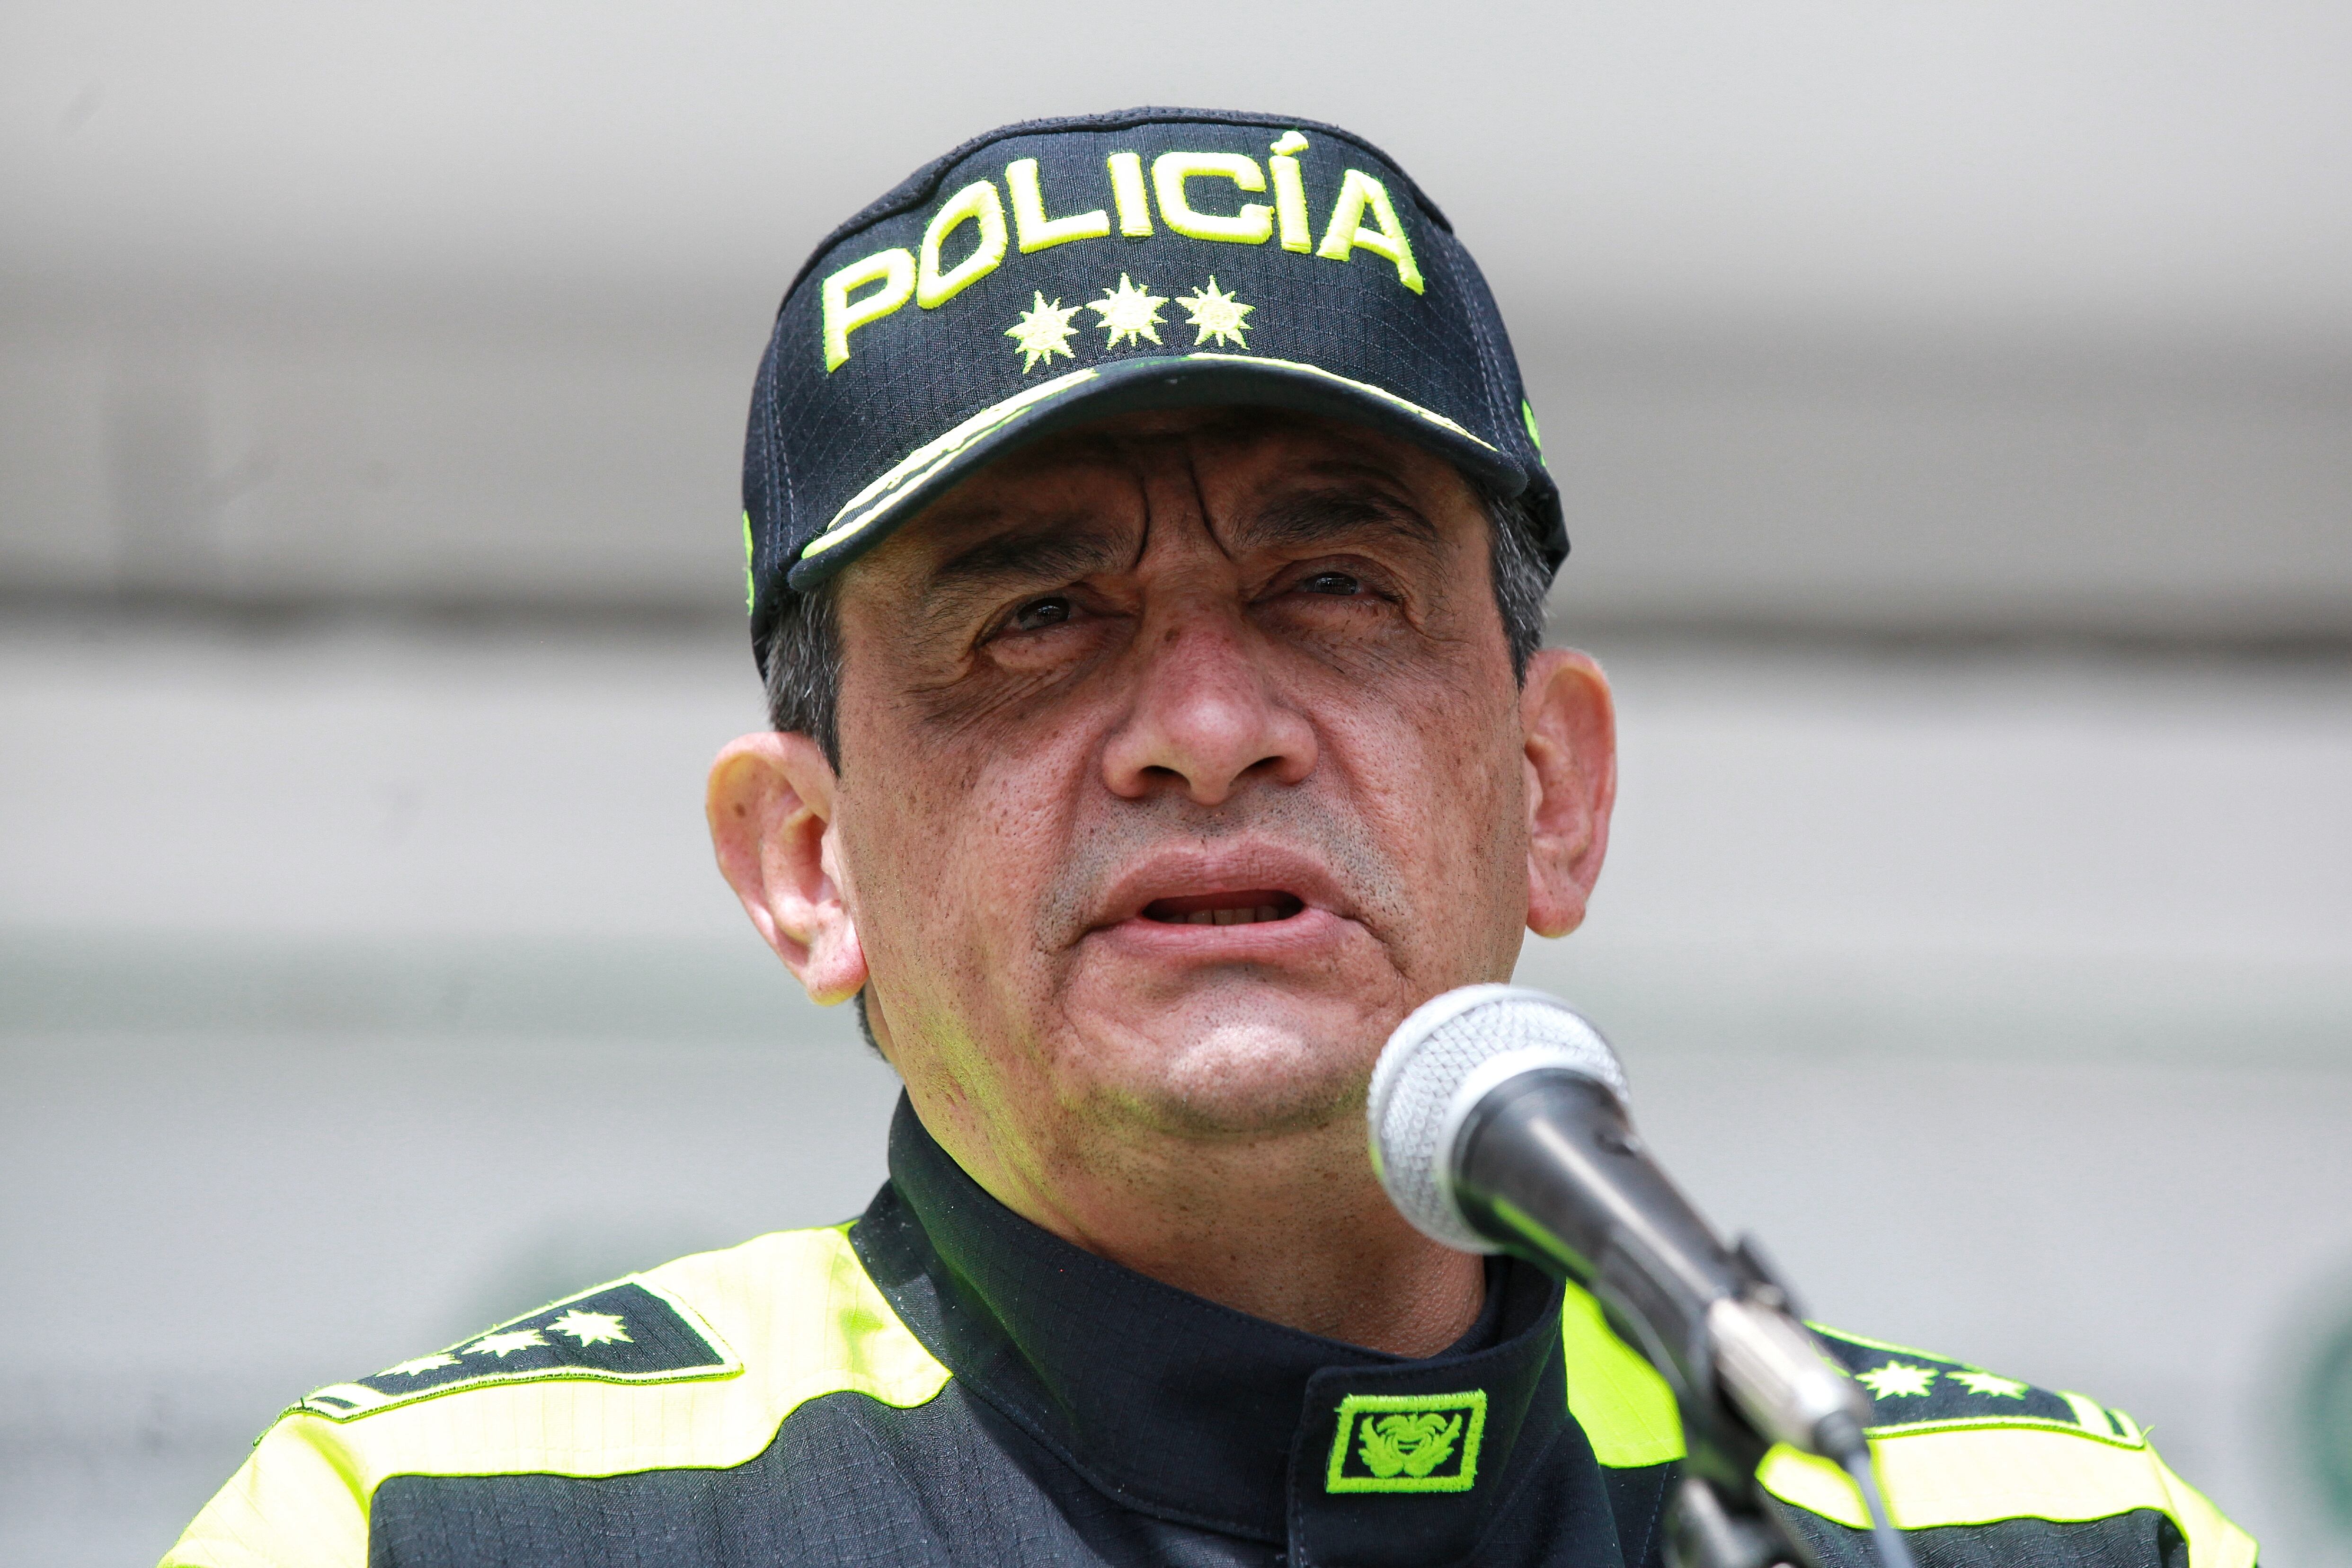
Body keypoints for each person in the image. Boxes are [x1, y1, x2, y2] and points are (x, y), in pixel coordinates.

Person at [164, 107, 2254, 1568]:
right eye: (1034, 617)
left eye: (1331, 587)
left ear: (1553, 790)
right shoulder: (432, 1530)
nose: (1206, 727)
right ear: (807, 863)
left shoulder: (2043, 1534)